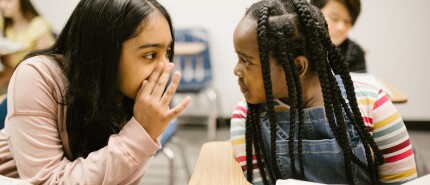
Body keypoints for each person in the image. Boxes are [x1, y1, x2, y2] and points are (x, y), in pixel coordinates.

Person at [0, 0, 191, 184]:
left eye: (167, 52)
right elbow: (48, 182)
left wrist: (144, 131)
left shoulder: (135, 101)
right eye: (150, 55)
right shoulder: (37, 76)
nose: (166, 67)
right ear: (104, 51)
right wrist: (140, 134)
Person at [230, 0, 417, 184]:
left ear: (296, 67)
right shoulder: (246, 116)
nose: (236, 70)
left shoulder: (374, 107)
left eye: (246, 61)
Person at [0, 0, 55, 92]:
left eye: (8, 1)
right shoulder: (5, 27)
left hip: (31, 79)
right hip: (11, 76)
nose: (2, 5)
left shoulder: (39, 24)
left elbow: (44, 61)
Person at [310, 0, 367, 73]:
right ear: (313, 13)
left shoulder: (354, 52)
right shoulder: (296, 44)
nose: (341, 27)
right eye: (334, 18)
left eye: (348, 21)